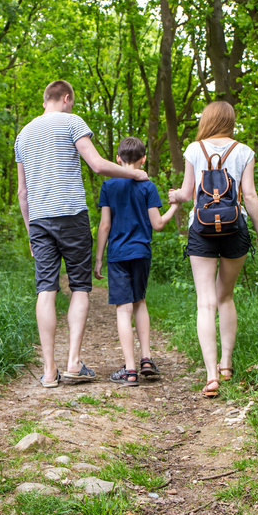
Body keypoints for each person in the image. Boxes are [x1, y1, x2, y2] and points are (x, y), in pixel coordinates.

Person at [15, 80, 149, 388]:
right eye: (71, 103)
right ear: (65, 98)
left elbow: (23, 192)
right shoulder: (72, 122)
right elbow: (99, 165)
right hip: (71, 215)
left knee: (45, 289)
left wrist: (30, 231)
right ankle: (74, 363)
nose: (71, 107)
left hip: (39, 220)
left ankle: (49, 372)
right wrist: (134, 173)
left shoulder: (23, 135)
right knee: (79, 287)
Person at [167, 101, 258, 398]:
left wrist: (175, 194)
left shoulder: (193, 149)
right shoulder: (244, 151)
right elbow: (249, 195)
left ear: (208, 119)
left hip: (201, 229)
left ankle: (211, 375)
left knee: (206, 302)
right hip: (234, 227)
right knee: (226, 297)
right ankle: (226, 364)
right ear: (230, 120)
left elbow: (187, 194)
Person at [94, 137, 179, 387]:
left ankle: (130, 370)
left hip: (118, 254)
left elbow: (105, 225)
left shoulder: (108, 185)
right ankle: (146, 360)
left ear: (118, 159)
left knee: (123, 308)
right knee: (140, 301)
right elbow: (158, 224)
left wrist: (98, 257)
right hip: (141, 252)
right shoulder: (148, 186)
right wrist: (174, 206)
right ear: (143, 159)